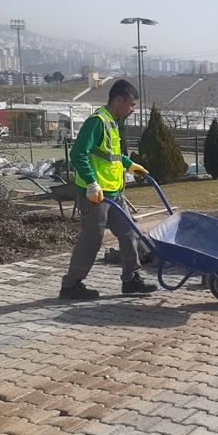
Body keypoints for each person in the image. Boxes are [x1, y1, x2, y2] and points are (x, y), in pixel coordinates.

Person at [59, 79, 157, 300]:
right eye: (131, 104)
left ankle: (131, 279)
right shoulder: (97, 121)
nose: (133, 109)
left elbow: (106, 154)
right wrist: (92, 184)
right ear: (119, 100)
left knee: (130, 232)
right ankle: (71, 285)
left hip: (113, 193)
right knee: (92, 239)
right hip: (96, 195)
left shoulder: (112, 122)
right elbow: (78, 154)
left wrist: (128, 164)